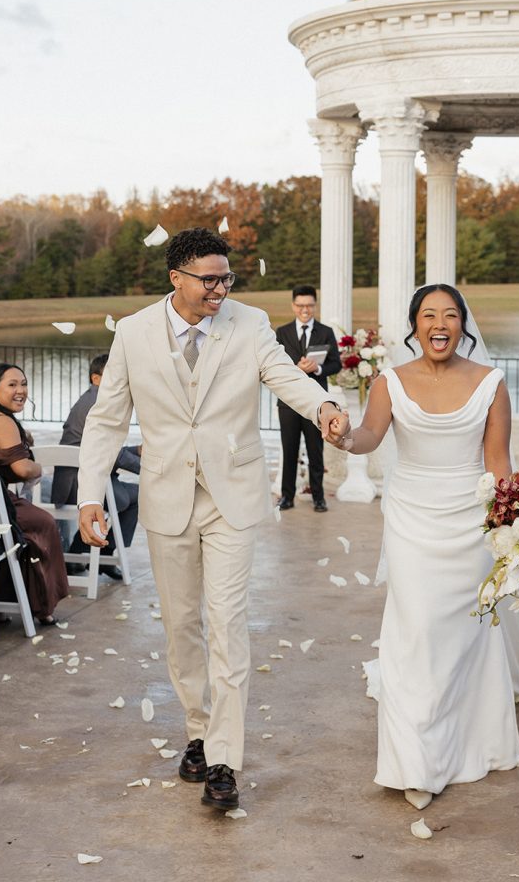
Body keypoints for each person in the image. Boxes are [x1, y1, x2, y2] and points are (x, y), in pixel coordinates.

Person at [329, 284, 519, 811]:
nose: (439, 323)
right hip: (410, 519)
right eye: (428, 315)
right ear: (415, 325)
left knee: (462, 635)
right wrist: (342, 437)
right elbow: (369, 436)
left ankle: (469, 743)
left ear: (463, 325)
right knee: (416, 630)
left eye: (450, 314)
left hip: (469, 521)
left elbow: (498, 464)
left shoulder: (491, 383)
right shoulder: (388, 382)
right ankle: (414, 762)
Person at [76, 227, 348, 813]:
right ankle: (198, 731)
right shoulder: (134, 333)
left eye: (227, 278)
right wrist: (89, 493)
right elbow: (107, 418)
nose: (221, 289)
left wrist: (324, 404)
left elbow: (284, 376)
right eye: (210, 280)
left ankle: (224, 758)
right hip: (167, 496)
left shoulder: (250, 324)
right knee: (181, 627)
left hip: (233, 496)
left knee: (227, 622)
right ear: (176, 278)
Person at [0, 363, 69, 625]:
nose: (21, 390)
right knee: (44, 524)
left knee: (14, 532)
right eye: (12, 385)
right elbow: (23, 469)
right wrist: (39, 468)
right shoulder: (1, 421)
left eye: (24, 384)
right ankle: (44, 606)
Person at [51, 352, 140, 581]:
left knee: (133, 496)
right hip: (79, 484)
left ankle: (98, 555)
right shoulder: (98, 402)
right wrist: (146, 467)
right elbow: (109, 450)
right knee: (137, 496)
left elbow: (107, 449)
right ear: (96, 378)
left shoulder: (92, 398)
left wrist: (135, 450)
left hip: (81, 477)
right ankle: (102, 554)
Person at [275, 284, 342, 512]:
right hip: (288, 403)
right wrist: (296, 368)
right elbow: (275, 365)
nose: (305, 310)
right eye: (301, 305)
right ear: (293, 306)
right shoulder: (282, 332)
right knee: (289, 450)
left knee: (316, 451)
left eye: (310, 306)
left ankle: (318, 498)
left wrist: (317, 369)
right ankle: (287, 497)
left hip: (317, 403)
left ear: (315, 305)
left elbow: (336, 364)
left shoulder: (326, 332)